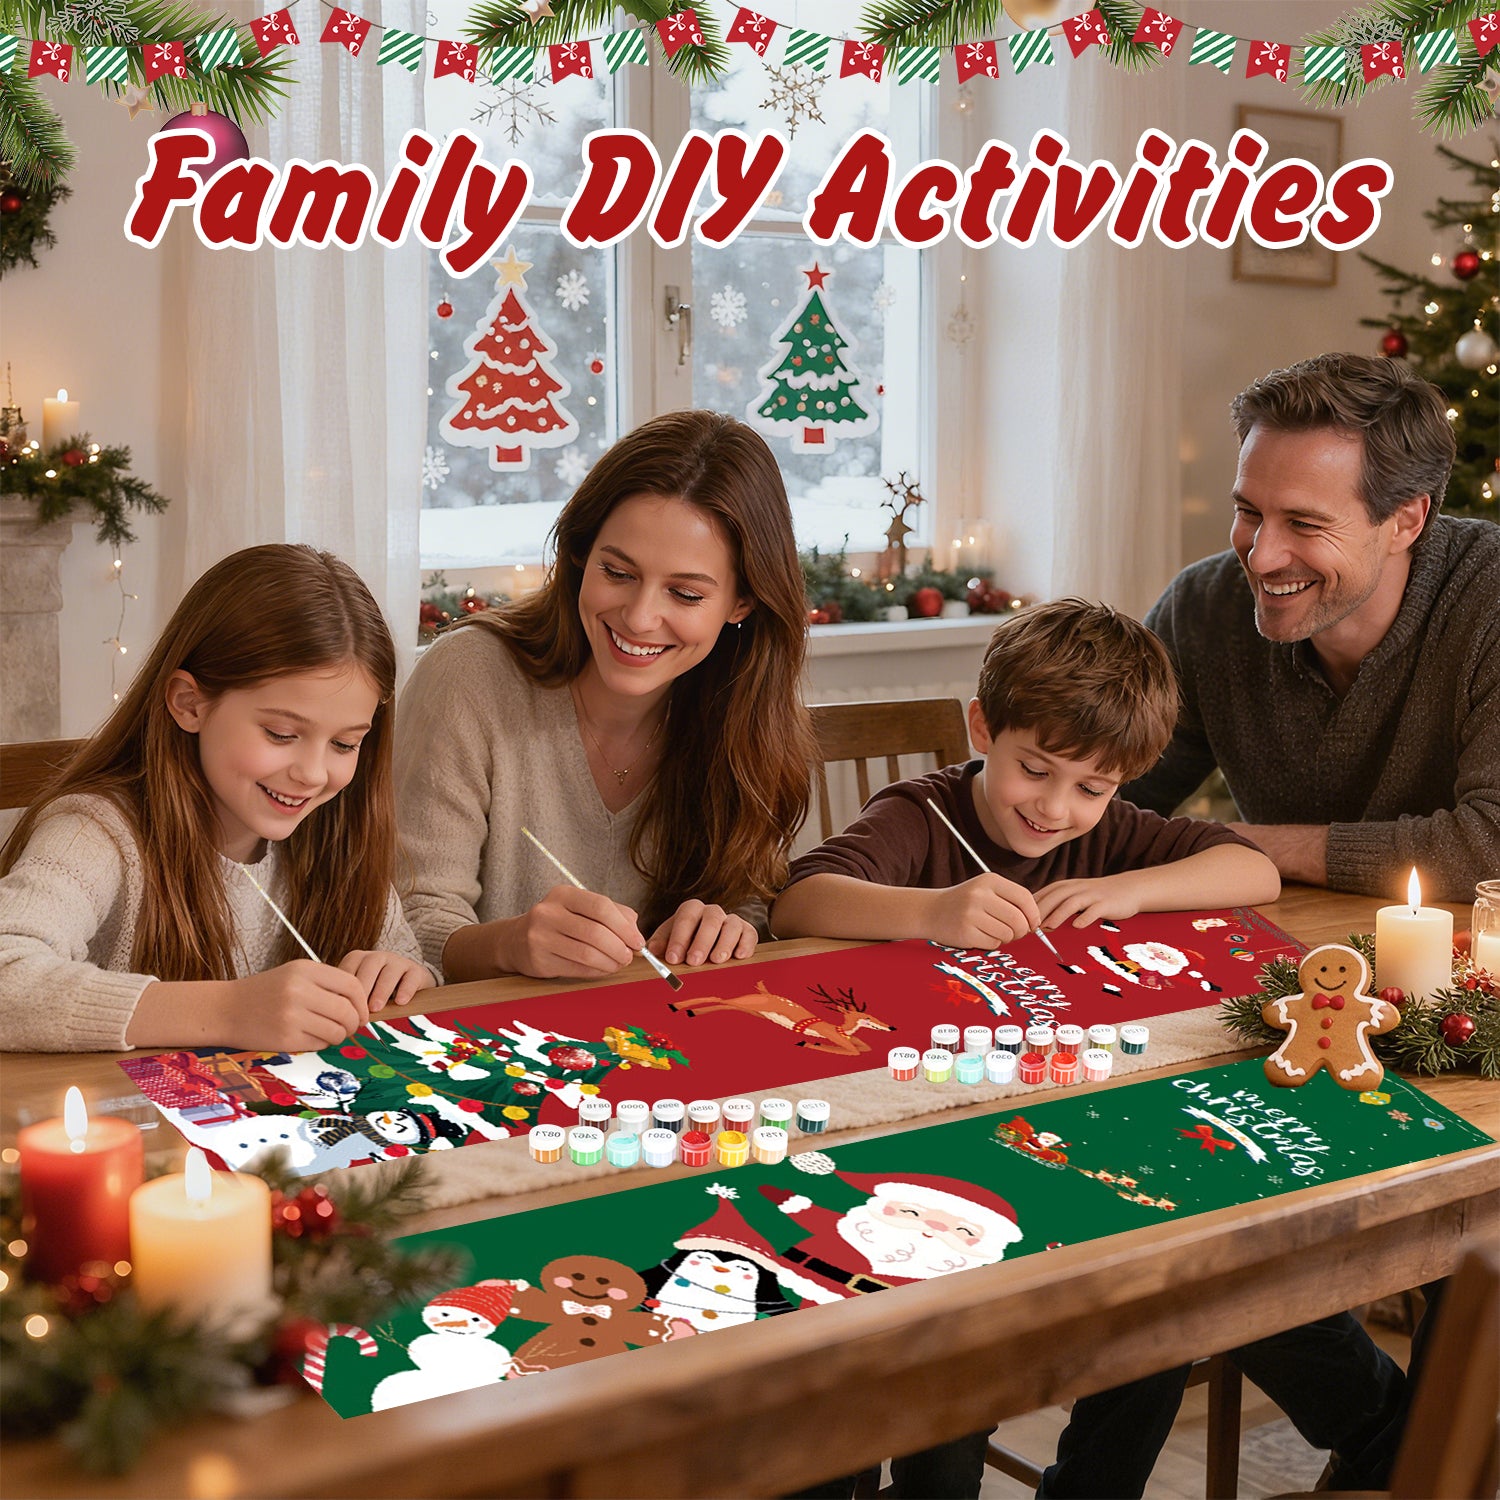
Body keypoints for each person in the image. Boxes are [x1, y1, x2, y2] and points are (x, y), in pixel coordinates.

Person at [771, 598, 1280, 1499]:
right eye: (1034, 771)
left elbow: (1254, 869)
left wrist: (1129, 891)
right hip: (917, 1148)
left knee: (1160, 1300)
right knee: (951, 1368)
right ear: (983, 729)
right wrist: (931, 911)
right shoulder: (922, 816)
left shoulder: (1108, 835)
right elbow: (800, 899)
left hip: (1061, 1137)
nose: (1054, 808)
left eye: (1092, 788)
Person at [395, 409, 815, 983]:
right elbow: (408, 925)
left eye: (686, 594)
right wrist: (509, 945)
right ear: (580, 554)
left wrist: (728, 925)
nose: (640, 617)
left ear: (742, 603)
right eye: (618, 573)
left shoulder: (746, 709)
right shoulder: (468, 676)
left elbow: (751, 901)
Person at [0, 544, 434, 1053]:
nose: (313, 774)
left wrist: (405, 974)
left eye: (344, 744)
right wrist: (229, 1011)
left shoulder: (338, 833)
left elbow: (406, 962)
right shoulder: (93, 833)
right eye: (280, 734)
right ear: (190, 704)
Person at [1122, 352, 1499, 901]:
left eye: (1303, 523)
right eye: (1249, 512)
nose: (1261, 557)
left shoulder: (1488, 601)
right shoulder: (1202, 609)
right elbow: (1098, 790)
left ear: (1405, 521)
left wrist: (1238, 845)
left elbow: (1492, 843)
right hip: (1276, 942)